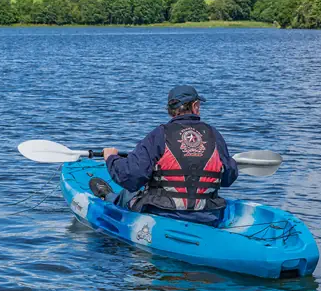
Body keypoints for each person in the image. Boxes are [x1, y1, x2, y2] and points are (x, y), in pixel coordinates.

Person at [98, 85, 238, 227]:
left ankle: (107, 197)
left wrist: (111, 159)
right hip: (207, 215)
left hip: (163, 214)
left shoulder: (159, 135)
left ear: (170, 111)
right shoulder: (214, 135)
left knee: (128, 194)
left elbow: (131, 178)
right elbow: (228, 178)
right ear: (195, 106)